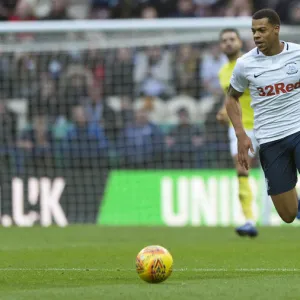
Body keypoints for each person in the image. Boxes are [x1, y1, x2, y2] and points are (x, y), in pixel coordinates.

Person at [226, 8, 300, 224]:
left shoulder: (297, 54)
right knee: (287, 214)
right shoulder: (245, 64)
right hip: (270, 140)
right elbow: (231, 99)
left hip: (298, 130)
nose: (256, 35)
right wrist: (241, 135)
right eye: (253, 31)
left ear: (276, 30)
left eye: (262, 30)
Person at [217, 28, 259, 237]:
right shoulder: (223, 72)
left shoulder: (252, 63)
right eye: (224, 41)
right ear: (220, 46)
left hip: (264, 124)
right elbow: (232, 100)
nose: (228, 43)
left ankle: (294, 205)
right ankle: (249, 220)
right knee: (242, 171)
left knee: (282, 166)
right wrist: (224, 112)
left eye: (232, 39)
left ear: (240, 42)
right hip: (239, 129)